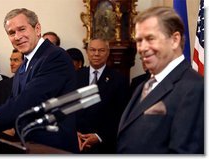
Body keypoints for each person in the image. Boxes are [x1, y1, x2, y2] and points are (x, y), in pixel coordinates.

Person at [0, 8, 79, 153]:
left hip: (54, 148)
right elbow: (11, 103)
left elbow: (30, 99)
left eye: (22, 29)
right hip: (28, 145)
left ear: (37, 28)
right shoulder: (24, 65)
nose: (17, 36)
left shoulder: (54, 56)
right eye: (11, 33)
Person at [117, 6, 204, 154]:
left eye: (150, 38)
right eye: (139, 40)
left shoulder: (194, 88)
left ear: (175, 40)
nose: (142, 48)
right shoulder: (143, 86)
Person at [76, 37, 130, 153]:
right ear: (87, 52)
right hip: (77, 143)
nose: (96, 54)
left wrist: (100, 137)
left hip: (104, 146)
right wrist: (74, 133)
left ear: (108, 52)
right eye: (92, 50)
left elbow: (121, 114)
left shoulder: (119, 79)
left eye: (101, 50)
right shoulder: (75, 77)